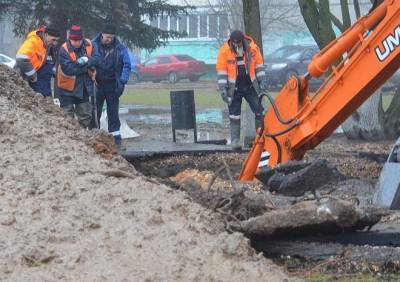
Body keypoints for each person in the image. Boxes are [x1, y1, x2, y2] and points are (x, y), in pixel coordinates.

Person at [216, 30, 267, 150]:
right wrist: (223, 89)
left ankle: (260, 139)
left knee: (259, 110)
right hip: (235, 88)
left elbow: (259, 66)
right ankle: (235, 141)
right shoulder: (224, 51)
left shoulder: (253, 49)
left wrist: (262, 81)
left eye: (238, 43)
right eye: (234, 43)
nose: (236, 45)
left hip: (250, 86)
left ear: (242, 40)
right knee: (234, 114)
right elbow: (222, 72)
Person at [92, 24, 131, 143]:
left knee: (113, 112)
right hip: (96, 84)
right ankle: (94, 134)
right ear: (102, 34)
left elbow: (127, 65)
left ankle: (115, 137)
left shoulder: (120, 48)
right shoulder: (92, 45)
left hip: (113, 85)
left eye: (111, 37)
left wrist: (123, 81)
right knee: (95, 110)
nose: (109, 39)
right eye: (107, 37)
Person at [57, 25, 100, 128]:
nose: (76, 43)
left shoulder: (90, 44)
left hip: (84, 88)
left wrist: (83, 62)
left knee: (85, 115)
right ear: (70, 39)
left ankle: (81, 137)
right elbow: (69, 69)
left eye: (79, 40)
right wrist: (86, 67)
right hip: (66, 89)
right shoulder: (64, 49)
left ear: (82, 38)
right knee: (67, 117)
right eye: (74, 41)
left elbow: (97, 58)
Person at [16, 25, 60, 97]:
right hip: (27, 81)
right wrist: (32, 75)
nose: (55, 43)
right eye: (53, 40)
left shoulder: (47, 45)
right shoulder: (33, 41)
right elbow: (21, 58)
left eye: (56, 40)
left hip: (43, 85)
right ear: (46, 35)